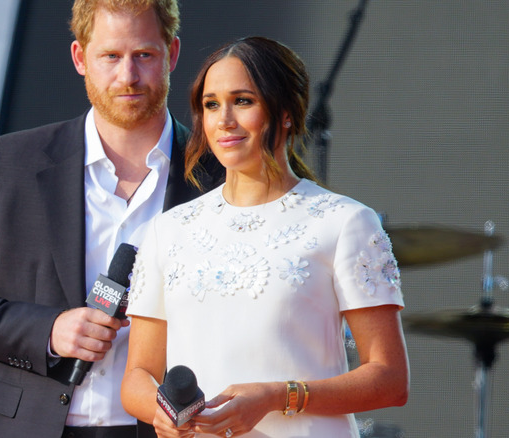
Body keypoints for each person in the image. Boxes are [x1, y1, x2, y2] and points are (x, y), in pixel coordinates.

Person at [0, 0, 222, 437]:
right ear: (80, 58)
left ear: (172, 54)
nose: (128, 76)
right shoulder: (14, 162)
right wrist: (50, 331)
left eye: (144, 55)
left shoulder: (218, 177)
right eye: (110, 56)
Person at [121, 36, 409, 438]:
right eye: (211, 104)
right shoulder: (168, 230)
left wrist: (278, 396)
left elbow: (391, 380)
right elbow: (137, 375)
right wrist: (162, 413)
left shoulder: (344, 222)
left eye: (243, 101)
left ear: (286, 112)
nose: (224, 120)